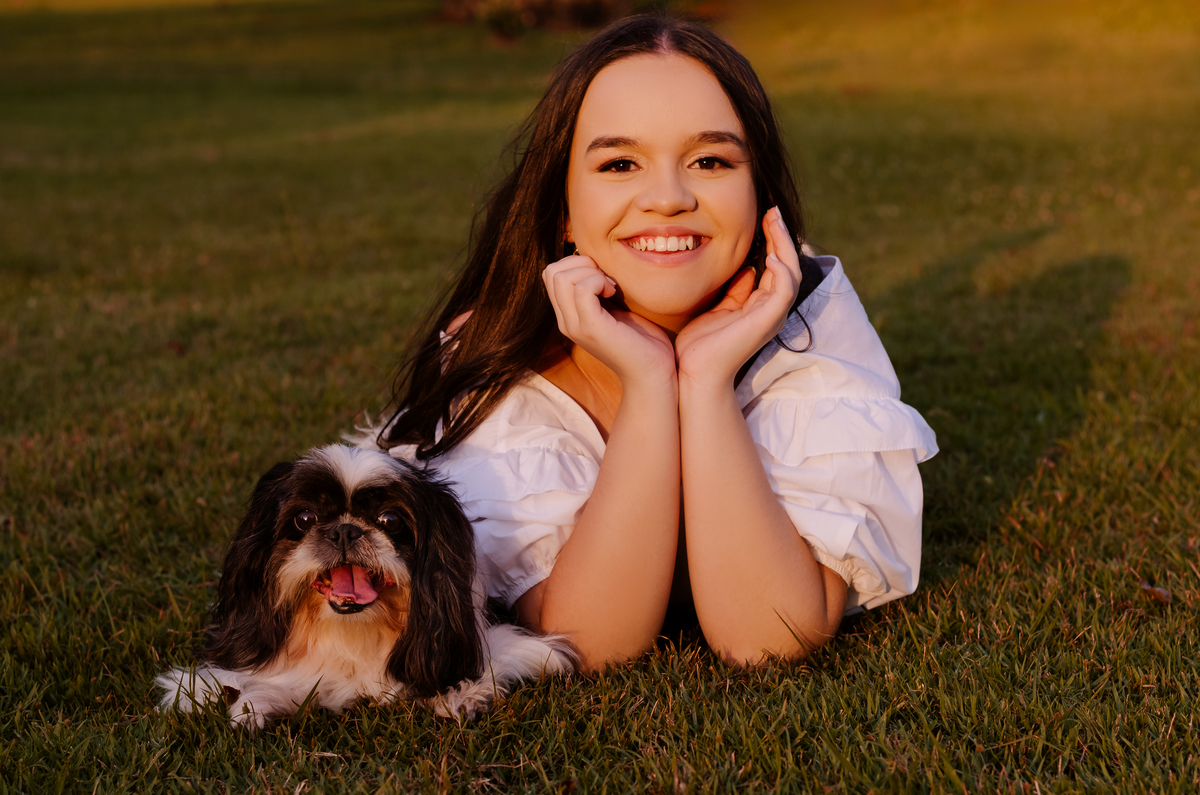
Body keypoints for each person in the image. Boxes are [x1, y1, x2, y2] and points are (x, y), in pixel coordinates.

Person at [374, 14, 937, 670]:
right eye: (619, 163)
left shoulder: (811, 332)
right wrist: (647, 382)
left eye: (709, 160)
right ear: (562, 211)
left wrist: (704, 380)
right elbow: (590, 641)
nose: (667, 197)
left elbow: (769, 633)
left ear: (759, 194)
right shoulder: (505, 365)